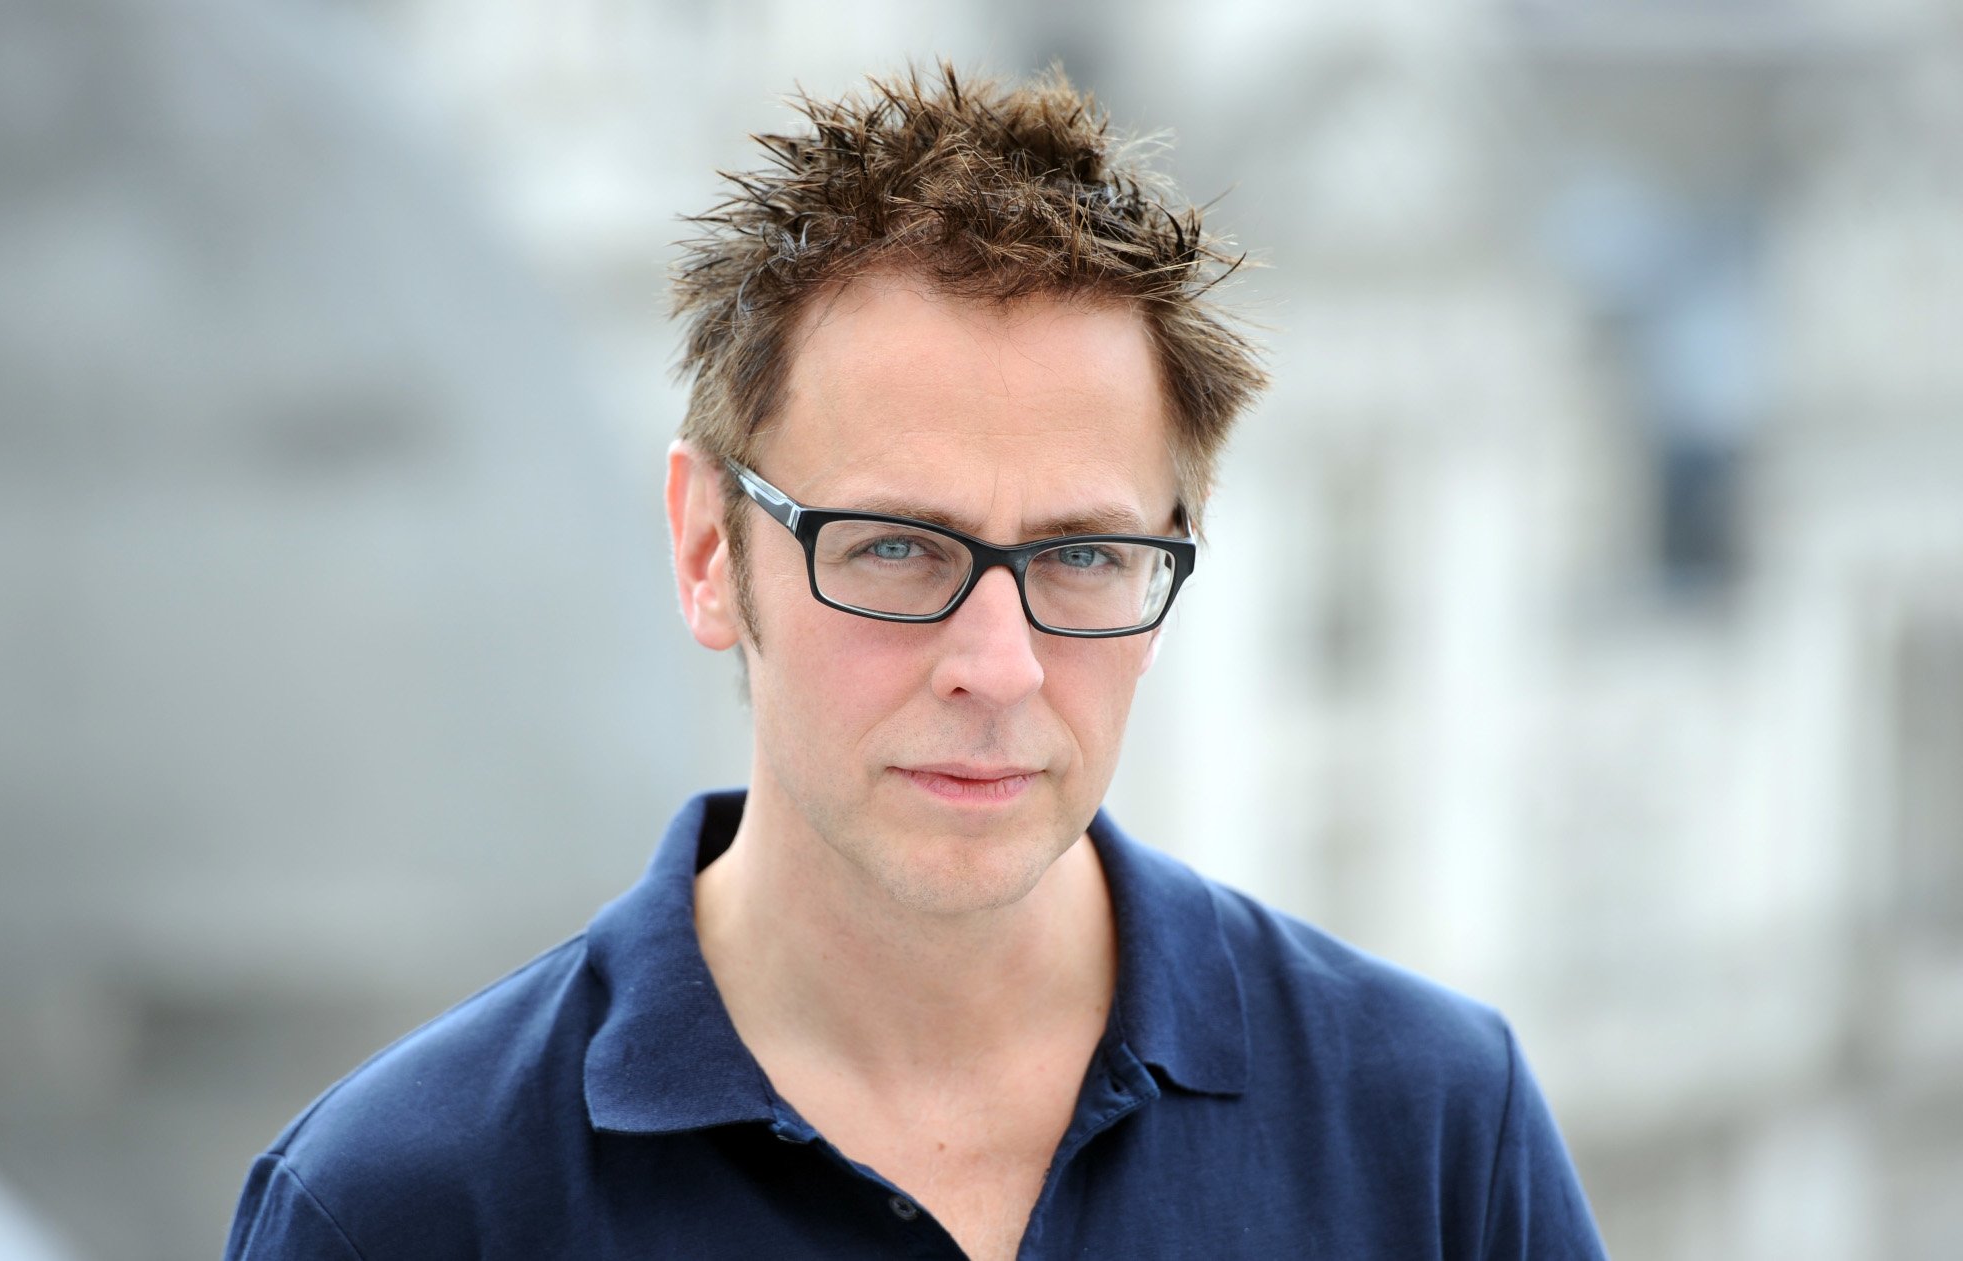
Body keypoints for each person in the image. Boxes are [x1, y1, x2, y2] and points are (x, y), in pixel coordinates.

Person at [224, 64, 1608, 1260]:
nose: (997, 666)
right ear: (710, 548)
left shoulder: (1434, 1133)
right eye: (896, 548)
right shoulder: (397, 1208)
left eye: (1079, 555)